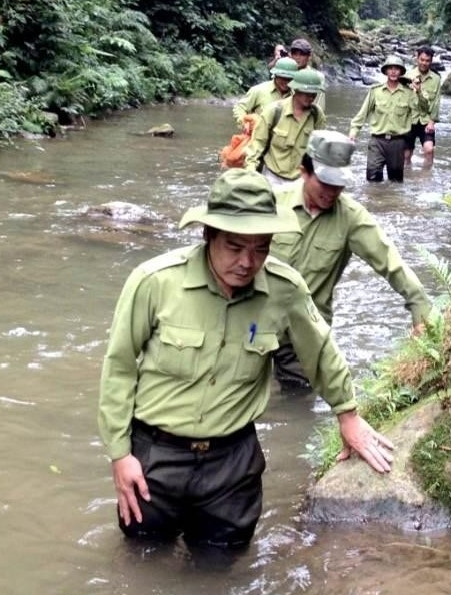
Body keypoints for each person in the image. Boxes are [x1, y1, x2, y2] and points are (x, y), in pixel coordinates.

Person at [98, 168, 393, 557]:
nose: (248, 261)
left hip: (232, 465)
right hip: (155, 457)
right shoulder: (154, 282)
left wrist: (348, 415)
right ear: (208, 235)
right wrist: (120, 456)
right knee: (143, 559)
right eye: (235, 247)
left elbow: (320, 352)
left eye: (260, 248)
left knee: (220, 566)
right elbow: (119, 368)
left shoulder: (284, 289)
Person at [270, 130, 433, 389]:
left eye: (339, 184)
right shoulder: (271, 204)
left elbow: (392, 264)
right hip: (255, 327)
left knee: (297, 404)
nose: (332, 192)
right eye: (325, 183)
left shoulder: (351, 218)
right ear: (304, 171)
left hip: (305, 336)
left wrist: (421, 312)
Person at [348, 55, 428, 183]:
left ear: (401, 72)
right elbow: (362, 114)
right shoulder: (375, 91)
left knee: (395, 182)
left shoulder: (409, 93)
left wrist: (419, 92)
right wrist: (353, 133)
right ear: (385, 71)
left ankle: (393, 203)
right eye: (390, 68)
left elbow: (423, 110)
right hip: (377, 141)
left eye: (397, 69)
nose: (393, 71)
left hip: (398, 142)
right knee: (372, 178)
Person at [245, 68, 326, 186]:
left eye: (314, 93)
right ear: (296, 90)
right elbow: (257, 144)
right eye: (307, 93)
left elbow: (319, 151)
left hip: (300, 180)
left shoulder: (317, 115)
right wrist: (250, 173)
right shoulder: (274, 111)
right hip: (272, 177)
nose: (311, 97)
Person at [404, 47, 442, 168]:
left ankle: (427, 178)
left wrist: (432, 122)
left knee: (429, 150)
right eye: (422, 59)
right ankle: (406, 178)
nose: (424, 63)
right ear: (417, 58)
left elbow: (436, 102)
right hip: (409, 119)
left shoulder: (436, 79)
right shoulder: (407, 76)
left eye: (427, 60)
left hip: (426, 120)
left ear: (431, 61)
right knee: (406, 154)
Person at [232, 57, 298, 124]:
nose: (286, 82)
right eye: (282, 78)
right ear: (275, 75)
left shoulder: (297, 97)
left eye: (289, 79)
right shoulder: (258, 90)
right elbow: (240, 107)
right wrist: (244, 122)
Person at [269, 38, 326, 113]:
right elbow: (271, 73)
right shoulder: (286, 73)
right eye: (295, 54)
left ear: (309, 56)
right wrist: (277, 58)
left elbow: (318, 105)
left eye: (302, 54)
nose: (298, 57)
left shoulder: (316, 77)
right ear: (290, 55)